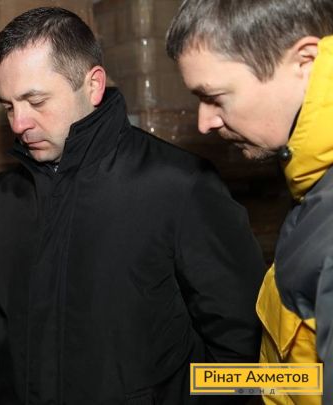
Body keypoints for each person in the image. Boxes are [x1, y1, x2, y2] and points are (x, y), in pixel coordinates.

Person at [0, 7, 265, 404]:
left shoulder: (180, 186)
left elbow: (243, 351)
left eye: (35, 101)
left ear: (93, 85)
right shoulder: (6, 195)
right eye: (9, 106)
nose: (18, 124)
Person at [165, 0, 333, 404]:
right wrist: (196, 383)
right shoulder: (313, 188)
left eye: (215, 96)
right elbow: (301, 380)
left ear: (304, 61)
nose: (204, 122)